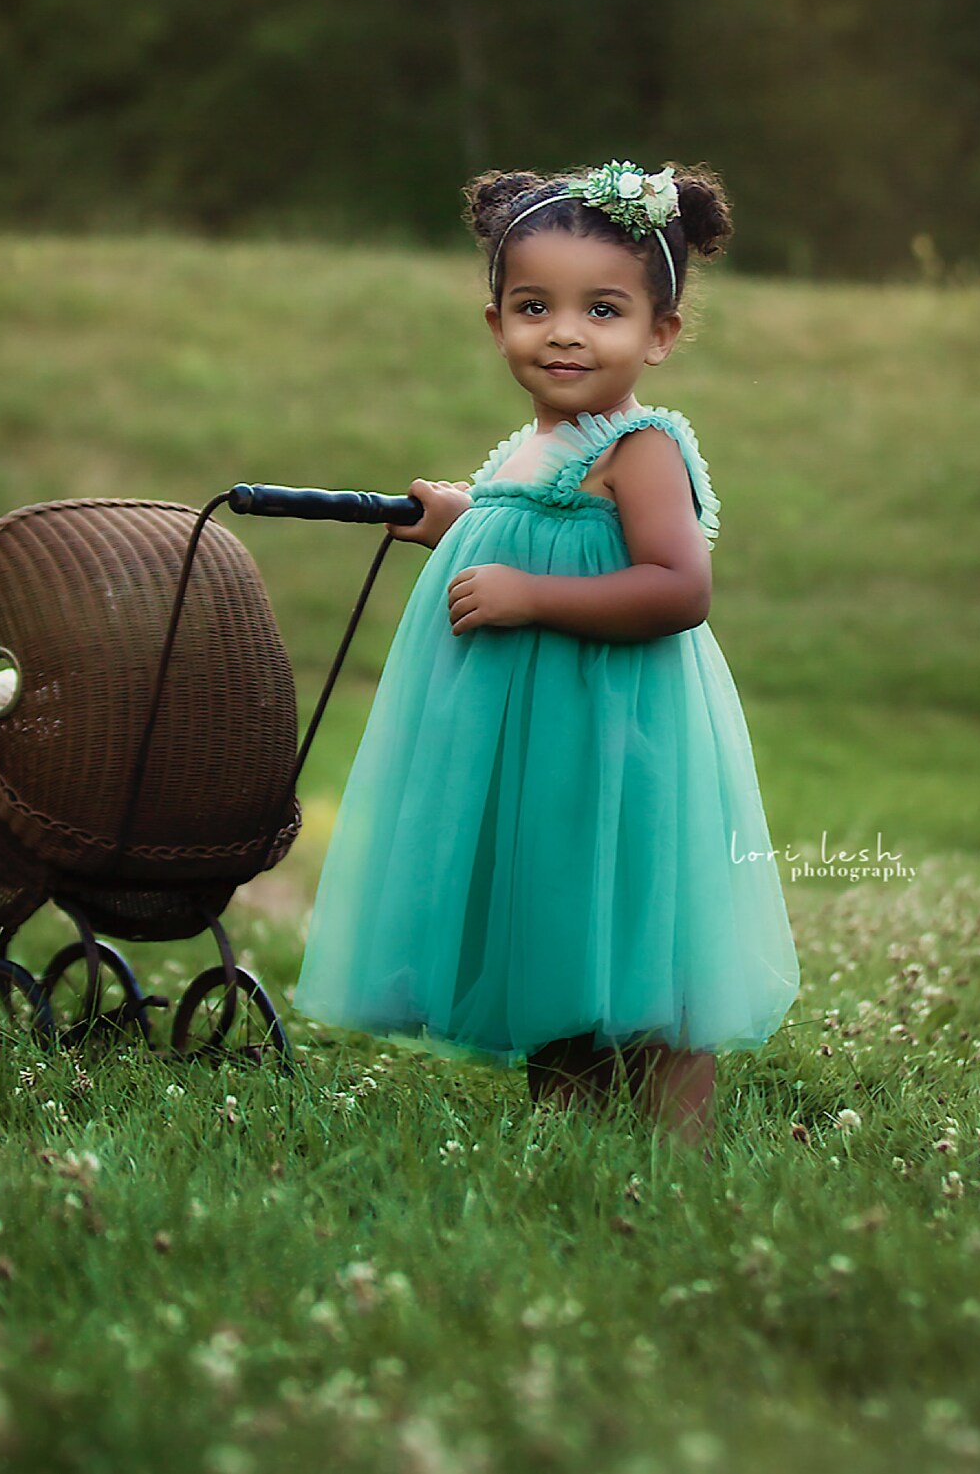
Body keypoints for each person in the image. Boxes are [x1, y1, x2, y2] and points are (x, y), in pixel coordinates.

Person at [292, 159, 800, 1150]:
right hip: (536, 745)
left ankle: (673, 1148)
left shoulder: (640, 446)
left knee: (640, 940)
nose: (563, 330)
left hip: (618, 734)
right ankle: (567, 1140)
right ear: (495, 322)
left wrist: (531, 595)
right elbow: (525, 530)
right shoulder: (529, 447)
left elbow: (676, 586)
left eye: (602, 308)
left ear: (659, 333)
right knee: (553, 930)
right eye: (534, 305)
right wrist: (460, 522)